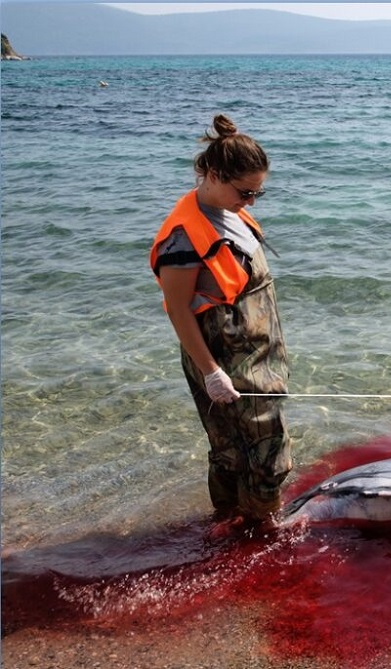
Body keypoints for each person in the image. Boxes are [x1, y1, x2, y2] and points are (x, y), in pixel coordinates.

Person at [150, 114, 291, 528]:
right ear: (213, 175)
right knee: (251, 450)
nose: (250, 202)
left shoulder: (232, 214)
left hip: (259, 357)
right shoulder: (182, 239)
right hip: (223, 360)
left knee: (247, 446)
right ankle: (256, 527)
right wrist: (212, 373)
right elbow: (178, 310)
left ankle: (239, 523)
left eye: (257, 195)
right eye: (245, 192)